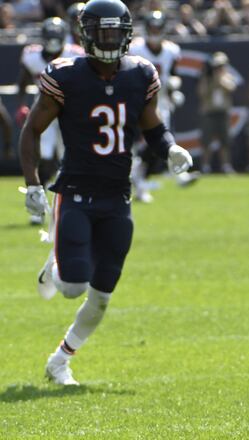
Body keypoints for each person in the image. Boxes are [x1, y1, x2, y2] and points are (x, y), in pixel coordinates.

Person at [18, 0, 193, 386]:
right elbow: (31, 130)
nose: (111, 40)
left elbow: (153, 128)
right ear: (87, 35)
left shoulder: (140, 74)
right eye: (104, 32)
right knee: (72, 287)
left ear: (127, 34)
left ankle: (59, 362)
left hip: (118, 197)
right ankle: (55, 264)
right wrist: (32, 184)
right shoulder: (66, 76)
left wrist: (171, 148)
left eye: (117, 32)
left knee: (101, 298)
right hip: (76, 192)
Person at [16, 16, 84, 225]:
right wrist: (21, 105)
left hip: (69, 111)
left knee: (70, 157)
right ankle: (38, 201)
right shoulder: (33, 56)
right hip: (43, 110)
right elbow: (23, 81)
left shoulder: (75, 54)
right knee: (44, 157)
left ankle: (70, 204)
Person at [128, 9, 196, 203]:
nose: (155, 31)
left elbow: (173, 75)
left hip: (159, 101)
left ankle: (140, 180)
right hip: (135, 100)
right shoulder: (136, 48)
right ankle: (136, 179)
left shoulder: (171, 50)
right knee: (130, 143)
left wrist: (174, 89)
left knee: (157, 142)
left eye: (158, 27)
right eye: (152, 27)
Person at [197, 51, 238, 173]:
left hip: (223, 113)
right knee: (206, 141)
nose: (219, 68)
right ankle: (205, 166)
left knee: (225, 141)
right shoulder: (206, 78)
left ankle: (226, 166)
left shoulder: (227, 76)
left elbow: (231, 88)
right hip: (209, 113)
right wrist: (210, 79)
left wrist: (219, 78)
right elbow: (202, 93)